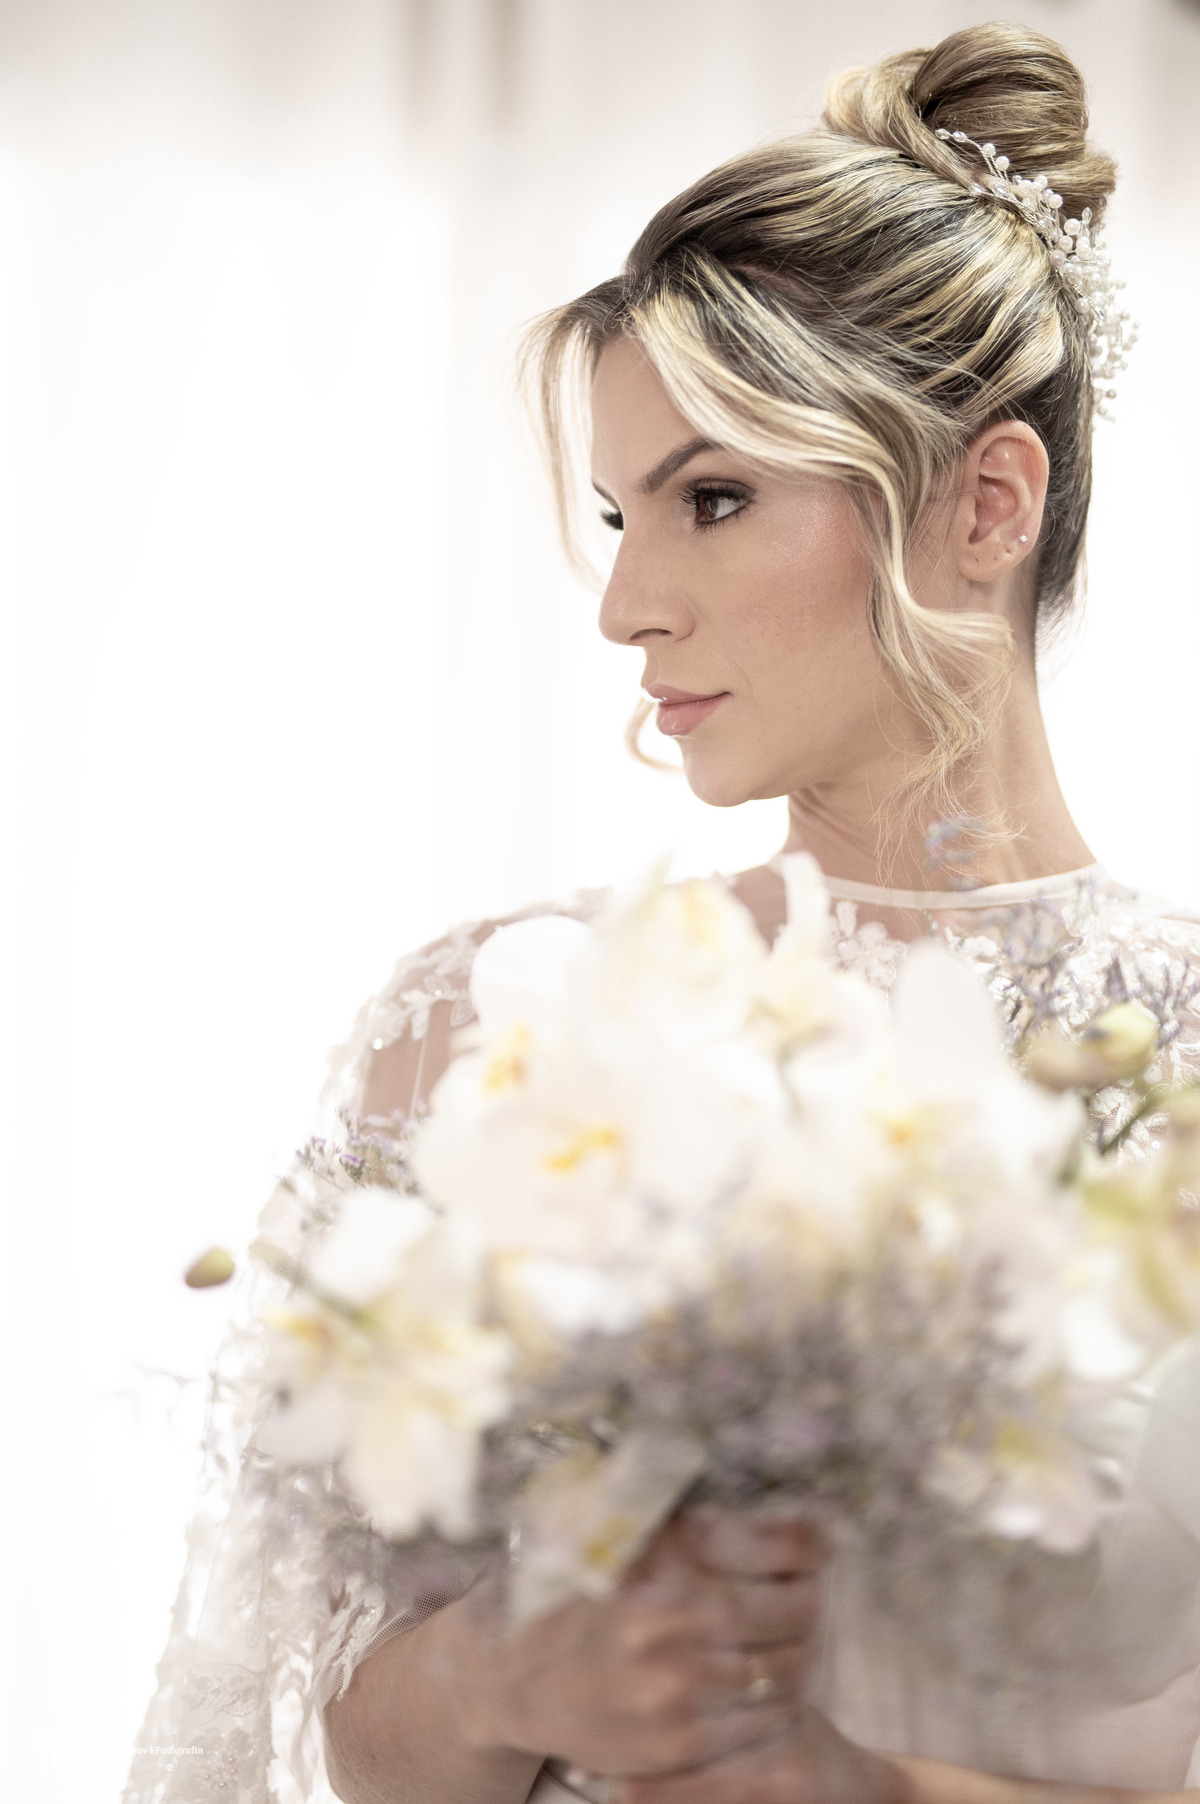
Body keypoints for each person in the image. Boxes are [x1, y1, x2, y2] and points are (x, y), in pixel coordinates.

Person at [124, 22, 1200, 1804]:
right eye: (622, 514)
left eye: (711, 499)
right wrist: (506, 1669)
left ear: (987, 504)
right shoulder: (496, 1029)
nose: (626, 600)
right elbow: (282, 1731)